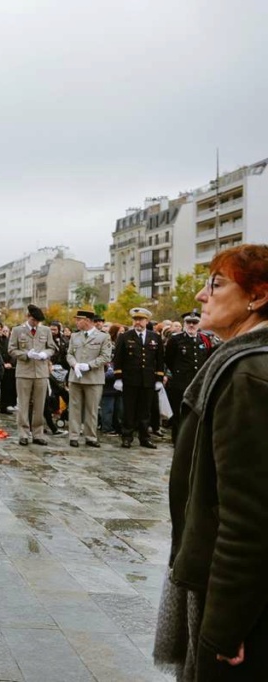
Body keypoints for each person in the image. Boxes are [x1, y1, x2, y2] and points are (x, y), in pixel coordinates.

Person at [155, 244, 268, 680]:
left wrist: (224, 624)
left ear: (257, 296)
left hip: (241, 608)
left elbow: (247, 516)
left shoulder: (247, 374)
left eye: (216, 285)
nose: (202, 296)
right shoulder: (240, 362)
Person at [112, 307, 165, 449]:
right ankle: (127, 436)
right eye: (135, 320)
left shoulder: (155, 337)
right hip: (130, 380)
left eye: (141, 320)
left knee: (145, 411)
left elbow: (159, 360)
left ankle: (144, 438)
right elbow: (118, 358)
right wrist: (118, 377)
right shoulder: (125, 336)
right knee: (129, 410)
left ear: (146, 321)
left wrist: (159, 379)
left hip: (148, 380)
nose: (138, 323)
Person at [8, 305, 59, 446]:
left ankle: (38, 433)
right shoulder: (17, 330)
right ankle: (23, 433)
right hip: (24, 371)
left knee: (39, 404)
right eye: (33, 319)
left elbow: (52, 347)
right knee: (23, 404)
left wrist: (45, 354)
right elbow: (11, 349)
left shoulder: (45, 330)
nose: (35, 323)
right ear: (28, 316)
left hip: (41, 372)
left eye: (37, 321)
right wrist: (25, 355)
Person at [164, 310, 214, 442]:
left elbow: (207, 357)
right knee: (179, 412)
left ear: (199, 324)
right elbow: (169, 359)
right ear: (184, 323)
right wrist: (177, 372)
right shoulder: (175, 339)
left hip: (197, 381)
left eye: (195, 322)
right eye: (188, 322)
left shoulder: (204, 339)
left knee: (195, 412)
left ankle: (192, 439)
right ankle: (178, 439)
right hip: (180, 382)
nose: (191, 325)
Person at [66, 307, 113, 448]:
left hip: (93, 378)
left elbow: (105, 356)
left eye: (79, 320)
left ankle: (90, 436)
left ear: (87, 321)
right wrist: (74, 365)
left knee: (92, 409)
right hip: (76, 377)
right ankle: (73, 436)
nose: (76, 322)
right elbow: (69, 354)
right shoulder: (75, 336)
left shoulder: (103, 337)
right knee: (74, 407)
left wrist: (89, 365)